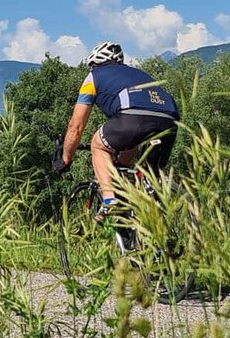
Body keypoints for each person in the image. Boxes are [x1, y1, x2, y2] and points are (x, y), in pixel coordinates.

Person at [50, 42, 180, 213]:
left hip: (133, 117)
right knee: (146, 179)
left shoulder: (93, 77)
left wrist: (66, 158)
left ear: (94, 64)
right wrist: (120, 163)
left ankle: (110, 200)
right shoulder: (140, 74)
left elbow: (76, 127)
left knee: (98, 145)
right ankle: (141, 233)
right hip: (170, 119)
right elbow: (133, 138)